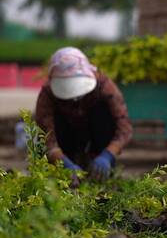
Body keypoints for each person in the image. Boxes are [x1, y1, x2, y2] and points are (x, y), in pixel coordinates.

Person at [35, 47, 132, 182]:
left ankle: (98, 165)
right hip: (66, 136)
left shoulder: (104, 86)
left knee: (102, 113)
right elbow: (45, 135)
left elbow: (124, 129)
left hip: (96, 133)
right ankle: (68, 164)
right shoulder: (48, 93)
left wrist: (107, 155)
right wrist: (63, 162)